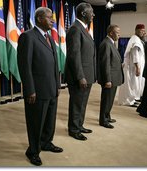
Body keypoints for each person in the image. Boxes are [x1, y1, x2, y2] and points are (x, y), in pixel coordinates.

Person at [17, 7, 63, 166]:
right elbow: (24, 66)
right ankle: (33, 151)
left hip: (51, 88)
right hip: (37, 90)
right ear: (39, 19)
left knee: (50, 121)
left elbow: (55, 64)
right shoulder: (27, 37)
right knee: (36, 122)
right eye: (49, 18)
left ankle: (46, 143)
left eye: (53, 18)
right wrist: (30, 89)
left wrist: (58, 85)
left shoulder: (49, 37)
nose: (53, 20)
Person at [64, 2, 96, 141]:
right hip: (79, 76)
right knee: (77, 103)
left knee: (82, 103)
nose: (93, 14)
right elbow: (74, 55)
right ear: (83, 13)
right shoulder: (75, 29)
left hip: (86, 74)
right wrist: (80, 76)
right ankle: (74, 129)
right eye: (91, 12)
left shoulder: (82, 28)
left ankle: (79, 125)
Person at [97, 24, 124, 129]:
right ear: (110, 33)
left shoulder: (111, 43)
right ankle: (103, 120)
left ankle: (107, 116)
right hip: (109, 79)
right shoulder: (106, 44)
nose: (119, 34)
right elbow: (105, 63)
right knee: (106, 100)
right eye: (117, 32)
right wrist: (108, 80)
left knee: (110, 100)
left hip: (114, 78)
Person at [118, 24, 146, 107]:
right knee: (131, 84)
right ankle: (128, 101)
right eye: (142, 31)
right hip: (132, 67)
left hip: (133, 67)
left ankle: (132, 99)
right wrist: (137, 67)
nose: (143, 32)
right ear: (136, 30)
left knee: (134, 84)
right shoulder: (135, 40)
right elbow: (135, 55)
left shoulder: (137, 39)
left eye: (144, 31)